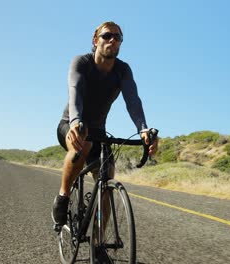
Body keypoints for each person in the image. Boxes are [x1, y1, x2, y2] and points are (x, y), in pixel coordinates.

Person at [52, 21, 158, 227]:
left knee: (107, 177)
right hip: (70, 124)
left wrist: (143, 129)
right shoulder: (81, 62)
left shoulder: (123, 70)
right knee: (84, 143)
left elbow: (133, 101)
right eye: (107, 36)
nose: (112, 40)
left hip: (98, 131)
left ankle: (99, 244)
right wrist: (75, 122)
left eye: (117, 37)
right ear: (95, 40)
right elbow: (75, 93)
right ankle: (63, 197)